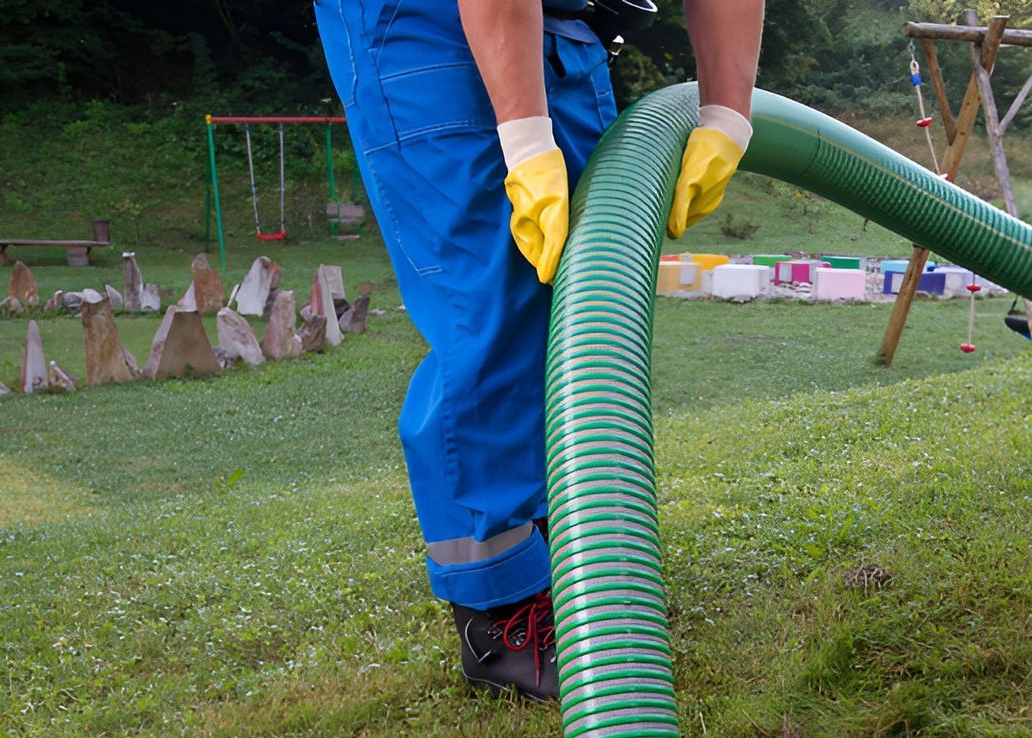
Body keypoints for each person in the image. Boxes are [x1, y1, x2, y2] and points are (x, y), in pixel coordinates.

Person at [314, 0, 765, 700]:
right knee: (490, 299)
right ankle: (501, 615)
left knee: (582, 298)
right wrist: (525, 142)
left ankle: (569, 574)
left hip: (565, 24)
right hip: (419, 22)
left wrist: (728, 115)